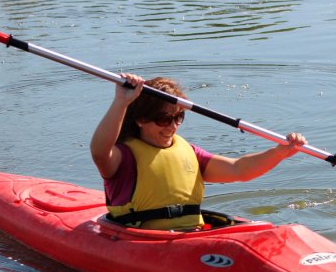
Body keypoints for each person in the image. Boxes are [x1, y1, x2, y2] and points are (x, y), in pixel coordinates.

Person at [90, 73, 306, 231]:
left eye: (178, 118)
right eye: (164, 119)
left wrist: (279, 152)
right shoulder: (123, 157)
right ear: (141, 119)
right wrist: (121, 101)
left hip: (194, 236)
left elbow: (239, 169)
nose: (172, 127)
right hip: (145, 240)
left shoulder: (189, 153)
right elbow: (100, 152)